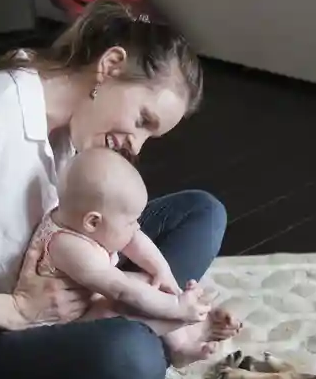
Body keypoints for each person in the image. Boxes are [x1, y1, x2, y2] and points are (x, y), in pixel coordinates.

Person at [0, 0, 238, 379]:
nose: (136, 146)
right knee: (132, 360)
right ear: (110, 66)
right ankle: (129, 349)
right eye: (142, 121)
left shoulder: (76, 129)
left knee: (201, 213)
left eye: (150, 135)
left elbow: (93, 226)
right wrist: (16, 311)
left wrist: (154, 281)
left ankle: (120, 340)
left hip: (54, 303)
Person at [30, 146, 240, 365]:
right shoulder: (67, 246)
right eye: (131, 222)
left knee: (149, 282)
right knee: (120, 307)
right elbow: (121, 290)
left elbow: (134, 239)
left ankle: (183, 332)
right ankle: (178, 339)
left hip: (89, 297)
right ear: (92, 222)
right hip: (62, 327)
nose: (137, 226)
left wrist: (163, 274)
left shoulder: (83, 222)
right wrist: (175, 305)